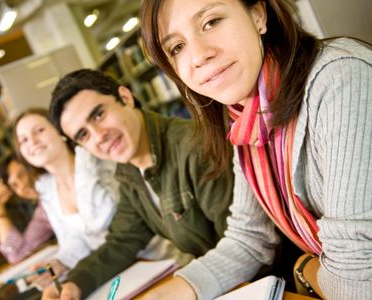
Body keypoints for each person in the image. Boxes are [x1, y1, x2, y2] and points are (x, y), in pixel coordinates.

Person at [140, 0, 372, 299]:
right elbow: (248, 238)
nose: (199, 55)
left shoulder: (341, 79)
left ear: (258, 15)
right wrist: (166, 294)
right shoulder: (248, 118)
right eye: (176, 47)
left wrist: (306, 270)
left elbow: (357, 276)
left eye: (211, 22)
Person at [42, 68, 234, 299]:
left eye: (98, 115)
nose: (98, 136)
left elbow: (240, 248)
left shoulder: (196, 149)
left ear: (125, 97)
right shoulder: (128, 171)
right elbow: (122, 241)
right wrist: (74, 284)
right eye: (83, 135)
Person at [13, 108, 120, 281]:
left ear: (60, 130)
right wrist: (58, 263)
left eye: (39, 131)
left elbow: (105, 221)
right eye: (23, 140)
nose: (32, 141)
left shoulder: (95, 161)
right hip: (108, 271)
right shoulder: (46, 188)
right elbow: (73, 239)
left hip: (147, 259)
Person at [0, 157, 54, 264]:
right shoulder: (43, 210)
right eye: (14, 185)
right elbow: (18, 255)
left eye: (21, 174)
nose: (22, 186)